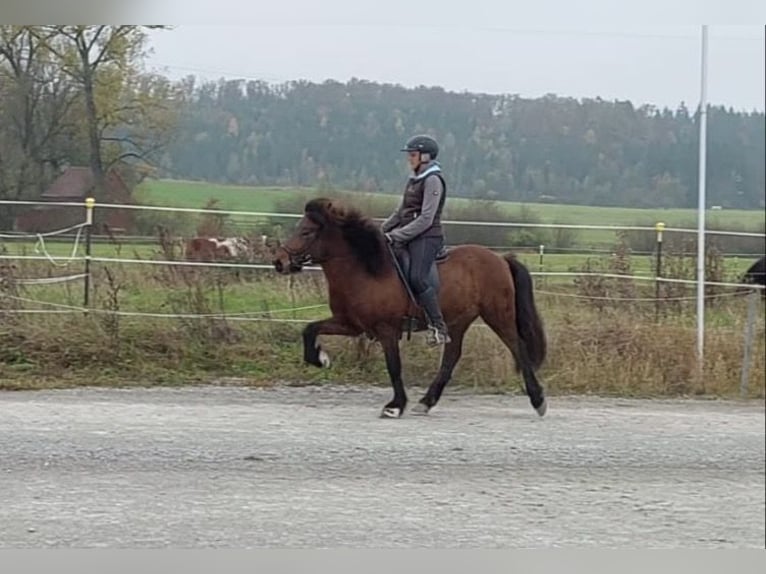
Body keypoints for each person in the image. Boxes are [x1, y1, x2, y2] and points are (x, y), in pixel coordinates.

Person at [381, 134, 451, 345]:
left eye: (412, 155)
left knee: (417, 277)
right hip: (408, 233)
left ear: (425, 157)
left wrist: (396, 235)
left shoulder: (432, 180)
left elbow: (426, 218)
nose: (409, 159)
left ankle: (438, 326)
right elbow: (400, 211)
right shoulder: (414, 179)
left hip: (427, 237)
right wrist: (380, 231)